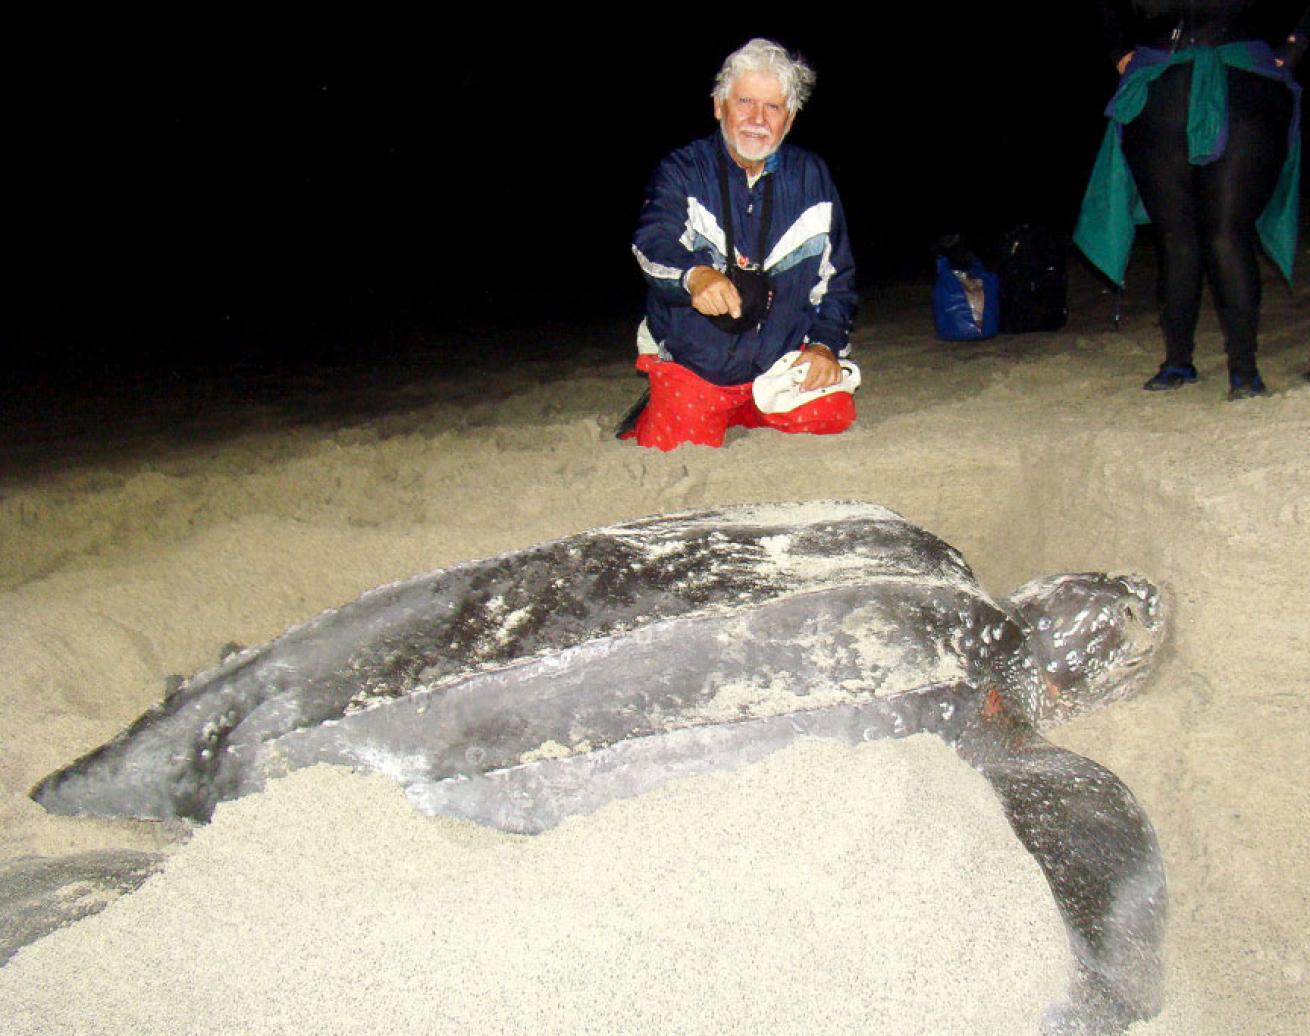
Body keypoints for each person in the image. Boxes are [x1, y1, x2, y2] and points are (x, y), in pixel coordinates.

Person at [624, 38, 857, 450]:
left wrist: (823, 346)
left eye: (773, 107)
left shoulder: (812, 177)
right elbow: (651, 244)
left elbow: (837, 281)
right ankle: (673, 403)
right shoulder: (682, 170)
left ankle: (747, 407)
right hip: (695, 363)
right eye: (745, 101)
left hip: (777, 364)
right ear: (719, 105)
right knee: (676, 445)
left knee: (832, 413)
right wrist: (694, 276)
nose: (757, 119)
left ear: (790, 118)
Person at [1076, 1, 1309, 400]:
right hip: (1159, 79)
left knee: (1225, 231)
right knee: (1175, 235)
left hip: (1242, 78)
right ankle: (1178, 361)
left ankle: (1244, 370)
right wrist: (1117, 49)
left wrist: (1294, 45)